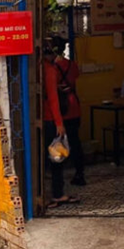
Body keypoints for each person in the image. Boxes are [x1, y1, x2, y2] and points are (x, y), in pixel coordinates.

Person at [43, 37, 84, 206]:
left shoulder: (44, 68)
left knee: (55, 152)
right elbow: (74, 81)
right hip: (70, 108)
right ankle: (78, 175)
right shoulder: (69, 65)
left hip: (57, 113)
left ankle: (54, 190)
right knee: (71, 145)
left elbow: (52, 94)